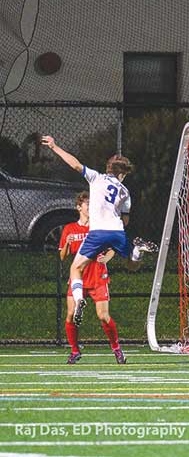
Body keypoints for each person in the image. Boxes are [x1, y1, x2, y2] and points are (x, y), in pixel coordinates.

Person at [42, 135, 155, 364]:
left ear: (108, 168)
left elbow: (74, 164)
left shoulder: (96, 178)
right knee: (132, 264)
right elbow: (124, 221)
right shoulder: (124, 191)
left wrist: (55, 147)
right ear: (122, 174)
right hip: (116, 231)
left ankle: (78, 297)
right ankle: (136, 250)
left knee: (75, 268)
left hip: (98, 232)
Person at [59, 192, 125, 364]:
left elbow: (112, 247)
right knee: (71, 314)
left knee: (103, 316)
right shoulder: (69, 229)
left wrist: (108, 257)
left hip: (97, 277)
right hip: (78, 278)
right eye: (87, 203)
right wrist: (67, 242)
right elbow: (62, 256)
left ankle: (116, 349)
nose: (90, 206)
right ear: (79, 207)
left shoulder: (98, 227)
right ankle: (75, 351)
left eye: (92, 203)